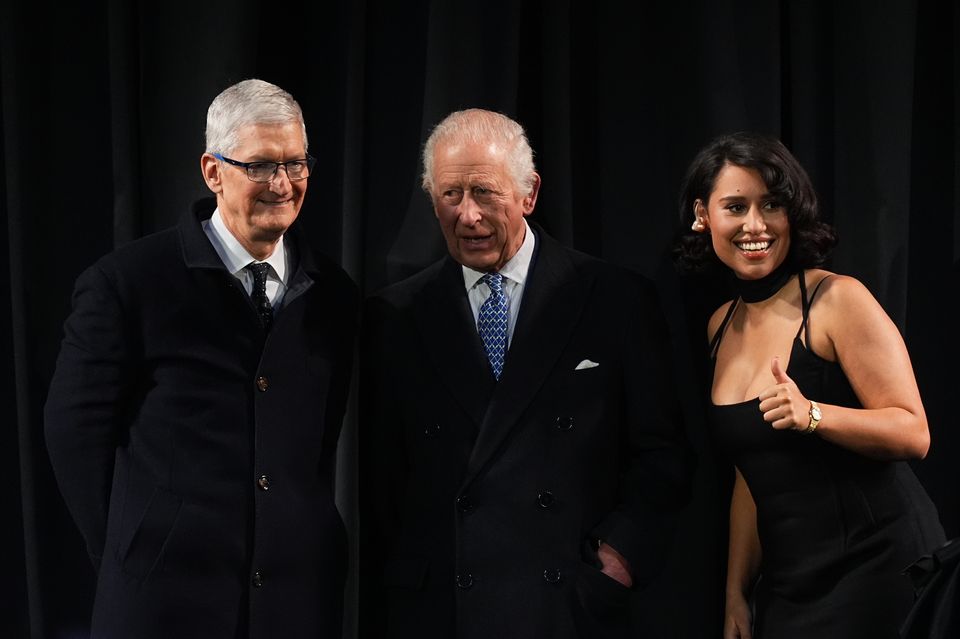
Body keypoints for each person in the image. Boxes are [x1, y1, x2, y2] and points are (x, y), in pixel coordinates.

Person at [44, 79, 358, 638]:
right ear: (213, 171)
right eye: (261, 166)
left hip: (296, 604)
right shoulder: (126, 284)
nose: (283, 184)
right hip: (162, 605)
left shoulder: (335, 293)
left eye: (296, 163)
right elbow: (74, 435)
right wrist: (135, 546)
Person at [360, 108, 689, 639]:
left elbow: (663, 454)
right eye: (450, 195)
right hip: (444, 611)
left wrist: (617, 559)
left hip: (568, 608)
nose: (467, 215)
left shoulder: (614, 299)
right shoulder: (394, 316)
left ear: (529, 194)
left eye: (485, 192)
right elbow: (383, 485)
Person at [676, 131, 945, 638]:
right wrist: (736, 591)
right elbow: (750, 473)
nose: (755, 225)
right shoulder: (719, 325)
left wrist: (813, 415)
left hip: (880, 566)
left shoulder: (837, 300)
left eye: (771, 205)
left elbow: (914, 432)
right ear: (703, 214)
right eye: (735, 206)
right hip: (790, 583)